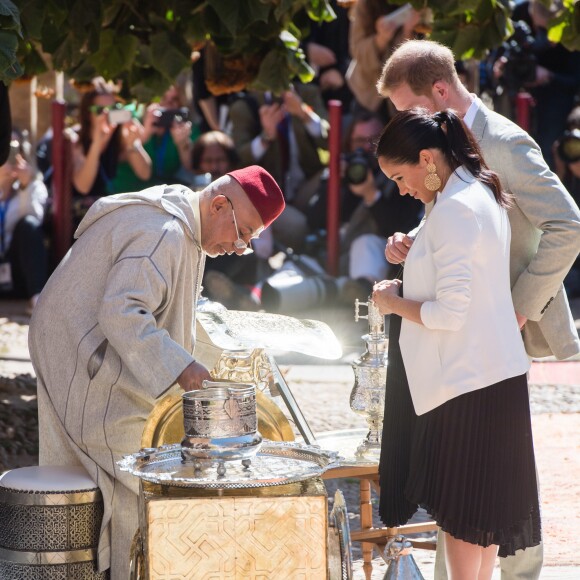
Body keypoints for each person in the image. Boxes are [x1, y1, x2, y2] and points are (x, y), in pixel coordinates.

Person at [376, 39, 580, 580]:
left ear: (438, 91)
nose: (405, 125)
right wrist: (413, 240)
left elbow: (569, 225)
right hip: (472, 339)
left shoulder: (507, 144)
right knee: (480, 500)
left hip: (492, 334)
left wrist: (515, 308)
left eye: (407, 112)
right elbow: (456, 227)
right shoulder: (451, 168)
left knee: (492, 497)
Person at [28, 166, 285, 579]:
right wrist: (182, 367)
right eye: (243, 233)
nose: (240, 247)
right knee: (158, 475)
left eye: (250, 241)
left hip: (92, 355)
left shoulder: (187, 226)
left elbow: (178, 312)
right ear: (219, 204)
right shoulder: (164, 232)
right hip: (86, 365)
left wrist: (235, 354)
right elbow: (122, 311)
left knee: (161, 467)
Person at [372, 107, 540, 580]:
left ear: (427, 158)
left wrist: (393, 301)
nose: (401, 189)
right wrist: (412, 244)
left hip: (466, 383)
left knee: (466, 521)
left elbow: (449, 312)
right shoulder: (472, 191)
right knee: (479, 524)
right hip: (486, 376)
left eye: (400, 177)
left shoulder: (457, 206)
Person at [71, 78, 152, 225]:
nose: (107, 114)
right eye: (100, 110)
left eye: (114, 108)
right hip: (73, 214)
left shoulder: (119, 137)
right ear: (87, 113)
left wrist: (132, 144)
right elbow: (83, 187)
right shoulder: (74, 139)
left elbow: (145, 173)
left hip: (102, 214)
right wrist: (97, 143)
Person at [0, 134, 48, 313]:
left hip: (17, 272)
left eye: (15, 152)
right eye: (6, 152)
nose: (11, 159)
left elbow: (35, 219)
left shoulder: (34, 187)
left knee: (28, 225)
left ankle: (36, 298)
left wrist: (25, 187)